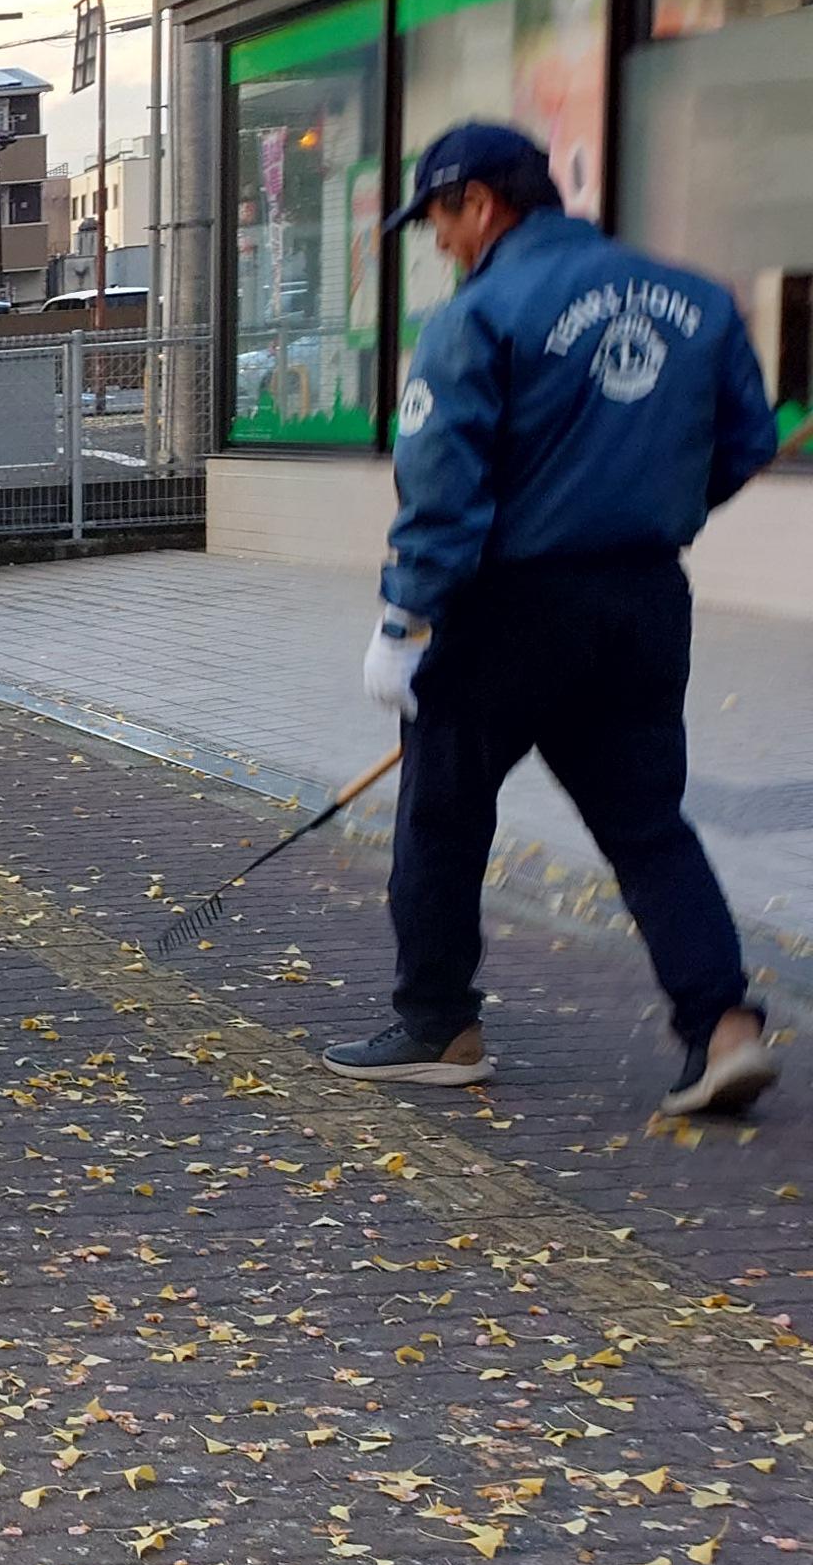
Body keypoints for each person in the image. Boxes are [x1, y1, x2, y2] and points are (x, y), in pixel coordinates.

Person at [322, 119, 782, 1119]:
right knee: (647, 824)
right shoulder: (698, 300)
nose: (439, 245)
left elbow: (443, 486)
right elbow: (749, 439)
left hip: (507, 605)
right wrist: (652, 508)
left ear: (479, 204)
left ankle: (437, 1024)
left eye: (440, 221)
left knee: (442, 815)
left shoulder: (480, 314)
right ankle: (725, 1027)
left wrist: (405, 620)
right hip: (644, 596)